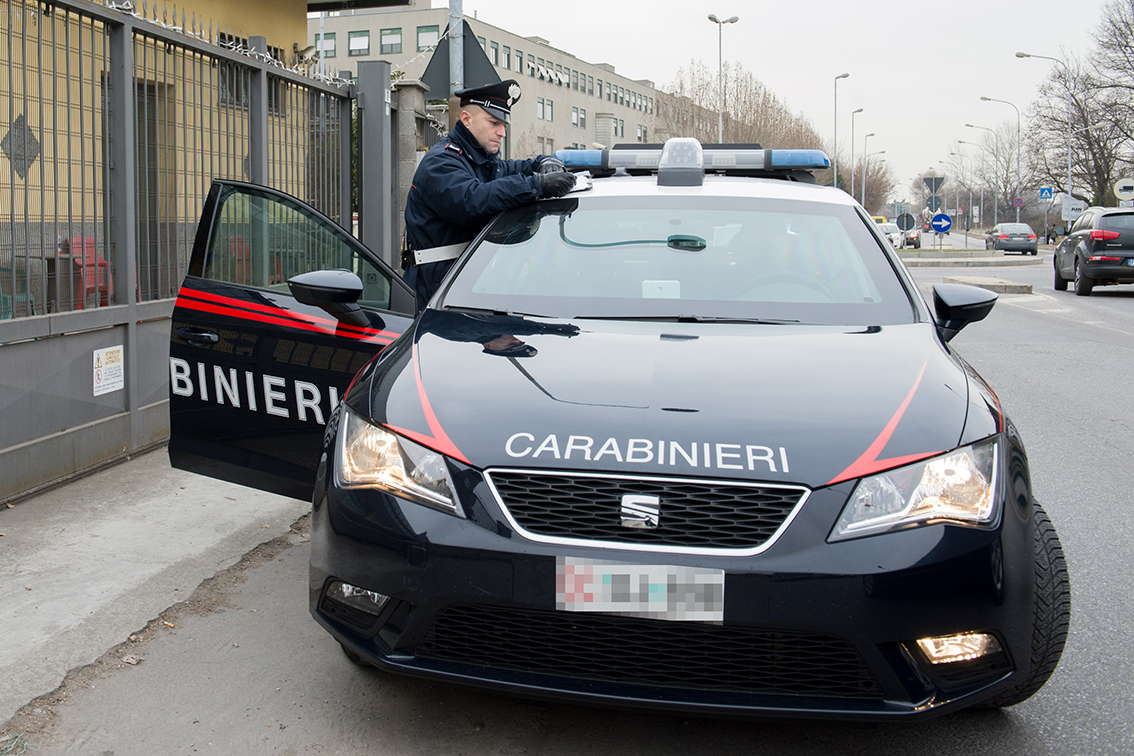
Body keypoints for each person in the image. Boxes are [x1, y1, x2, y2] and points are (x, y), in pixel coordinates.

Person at [402, 79, 576, 308]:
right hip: (437, 288)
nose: (502, 132)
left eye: (504, 124)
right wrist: (536, 185)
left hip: (466, 281)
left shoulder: (479, 160)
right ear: (467, 119)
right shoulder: (441, 162)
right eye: (494, 123)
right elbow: (472, 200)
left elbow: (514, 168)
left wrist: (546, 161)